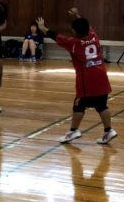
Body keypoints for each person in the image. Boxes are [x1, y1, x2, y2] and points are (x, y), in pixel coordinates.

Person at [37, 8, 117, 144]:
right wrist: (77, 15)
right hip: (102, 78)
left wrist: (42, 28)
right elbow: (87, 25)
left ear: (76, 31)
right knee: (102, 105)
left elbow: (56, 36)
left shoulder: (74, 43)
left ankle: (73, 131)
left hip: (87, 80)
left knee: (79, 105)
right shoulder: (93, 36)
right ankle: (108, 130)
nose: (71, 30)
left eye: (73, 29)